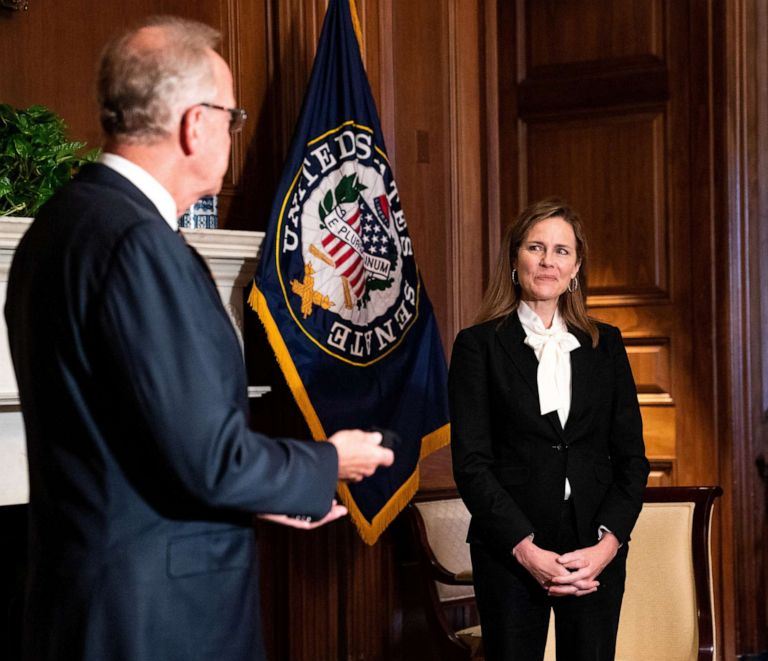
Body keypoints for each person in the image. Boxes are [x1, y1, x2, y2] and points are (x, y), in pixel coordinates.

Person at [4, 16, 394, 661]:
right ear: (194, 122)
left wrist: (268, 490)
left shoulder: (55, 227)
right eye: (232, 117)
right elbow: (210, 460)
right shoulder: (139, 245)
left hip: (84, 599)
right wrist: (330, 462)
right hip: (156, 619)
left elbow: (140, 438)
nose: (231, 133)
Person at [449, 198, 650, 660]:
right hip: (510, 549)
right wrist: (525, 550)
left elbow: (632, 460)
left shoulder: (607, 345)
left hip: (592, 549)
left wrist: (608, 545)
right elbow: (472, 464)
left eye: (561, 251)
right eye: (536, 247)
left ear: (576, 266)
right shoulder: (478, 346)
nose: (547, 261)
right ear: (515, 259)